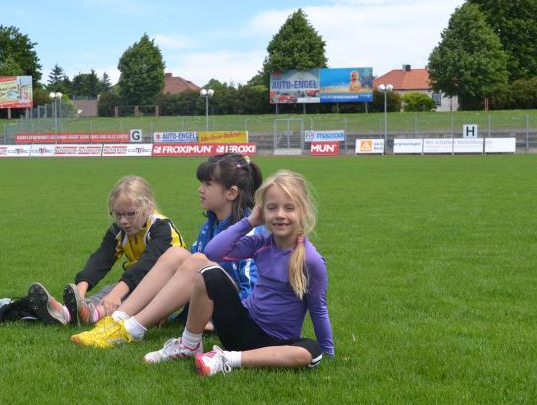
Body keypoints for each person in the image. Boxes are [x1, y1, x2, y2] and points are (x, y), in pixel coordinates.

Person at [143, 170, 333, 376]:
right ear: (262, 211)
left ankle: (227, 359)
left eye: (289, 208)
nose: (280, 214)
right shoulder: (261, 242)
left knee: (312, 352)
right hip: (240, 327)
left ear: (303, 211)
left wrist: (328, 352)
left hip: (275, 344)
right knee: (208, 273)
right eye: (272, 208)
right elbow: (213, 252)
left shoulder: (311, 260)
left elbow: (318, 309)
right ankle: (189, 344)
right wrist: (250, 221)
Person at [69, 153, 263, 348]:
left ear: (231, 193)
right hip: (209, 304)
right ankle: (116, 320)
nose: (200, 189)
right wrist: (167, 308)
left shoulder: (250, 233)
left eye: (207, 184)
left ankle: (131, 328)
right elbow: (188, 277)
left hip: (238, 316)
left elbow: (254, 291)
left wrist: (214, 320)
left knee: (196, 260)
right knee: (177, 254)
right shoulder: (209, 226)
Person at [28, 175, 184, 325]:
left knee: (122, 293)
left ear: (149, 208)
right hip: (138, 281)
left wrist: (117, 294)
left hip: (169, 288)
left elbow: (145, 266)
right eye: (118, 214)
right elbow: (101, 259)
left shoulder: (161, 228)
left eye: (130, 214)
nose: (123, 221)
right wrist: (79, 291)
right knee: (110, 290)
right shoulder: (119, 230)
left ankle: (91, 315)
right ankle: (69, 312)